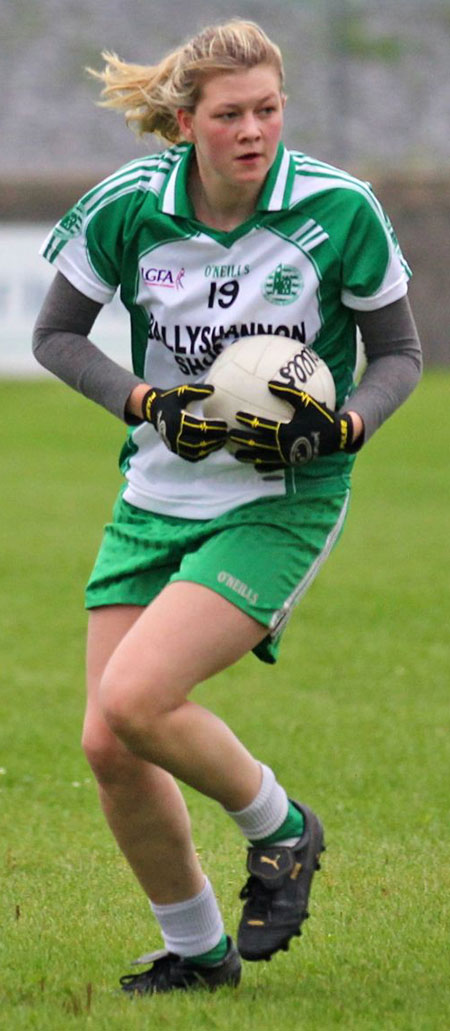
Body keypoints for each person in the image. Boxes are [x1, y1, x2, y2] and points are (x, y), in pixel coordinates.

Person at [33, 19, 422, 995]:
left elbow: (403, 356)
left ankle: (283, 828)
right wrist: (146, 401)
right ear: (184, 121)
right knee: (106, 742)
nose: (255, 130)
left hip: (280, 494)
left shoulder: (339, 209)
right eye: (231, 114)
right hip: (155, 490)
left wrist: (347, 425)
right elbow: (58, 335)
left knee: (134, 697)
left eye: (269, 109)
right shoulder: (131, 208)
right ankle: (199, 952)